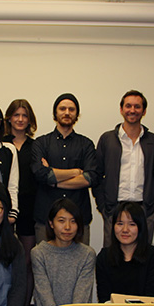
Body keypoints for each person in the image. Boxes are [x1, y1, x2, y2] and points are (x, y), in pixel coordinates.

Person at [28, 198, 96, 306]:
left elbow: (81, 296)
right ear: (51, 224)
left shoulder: (87, 254)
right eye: (61, 221)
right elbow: (44, 296)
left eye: (73, 222)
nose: (67, 227)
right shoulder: (39, 253)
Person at [94, 90, 154, 248]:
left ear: (144, 111)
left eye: (137, 107)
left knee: (142, 257)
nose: (132, 110)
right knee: (112, 258)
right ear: (121, 109)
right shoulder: (108, 139)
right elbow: (97, 175)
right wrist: (104, 207)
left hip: (145, 210)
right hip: (114, 209)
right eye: (128, 106)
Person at [31, 93, 97, 244]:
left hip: (78, 219)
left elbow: (91, 177)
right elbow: (41, 174)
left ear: (76, 114)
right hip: (46, 219)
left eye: (71, 109)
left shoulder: (86, 144)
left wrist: (54, 180)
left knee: (81, 265)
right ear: (55, 113)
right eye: (62, 109)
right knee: (44, 266)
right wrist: (75, 172)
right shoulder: (41, 143)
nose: (67, 113)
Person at [3, 99, 39, 306]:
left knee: (27, 263)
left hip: (30, 211)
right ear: (9, 118)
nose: (20, 119)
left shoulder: (36, 147)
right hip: (3, 211)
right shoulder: (0, 144)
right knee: (4, 264)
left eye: (24, 115)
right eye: (16, 115)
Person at [96, 201, 154, 303]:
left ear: (140, 227)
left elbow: (151, 297)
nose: (125, 230)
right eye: (120, 223)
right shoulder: (104, 257)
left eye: (132, 224)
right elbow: (105, 299)